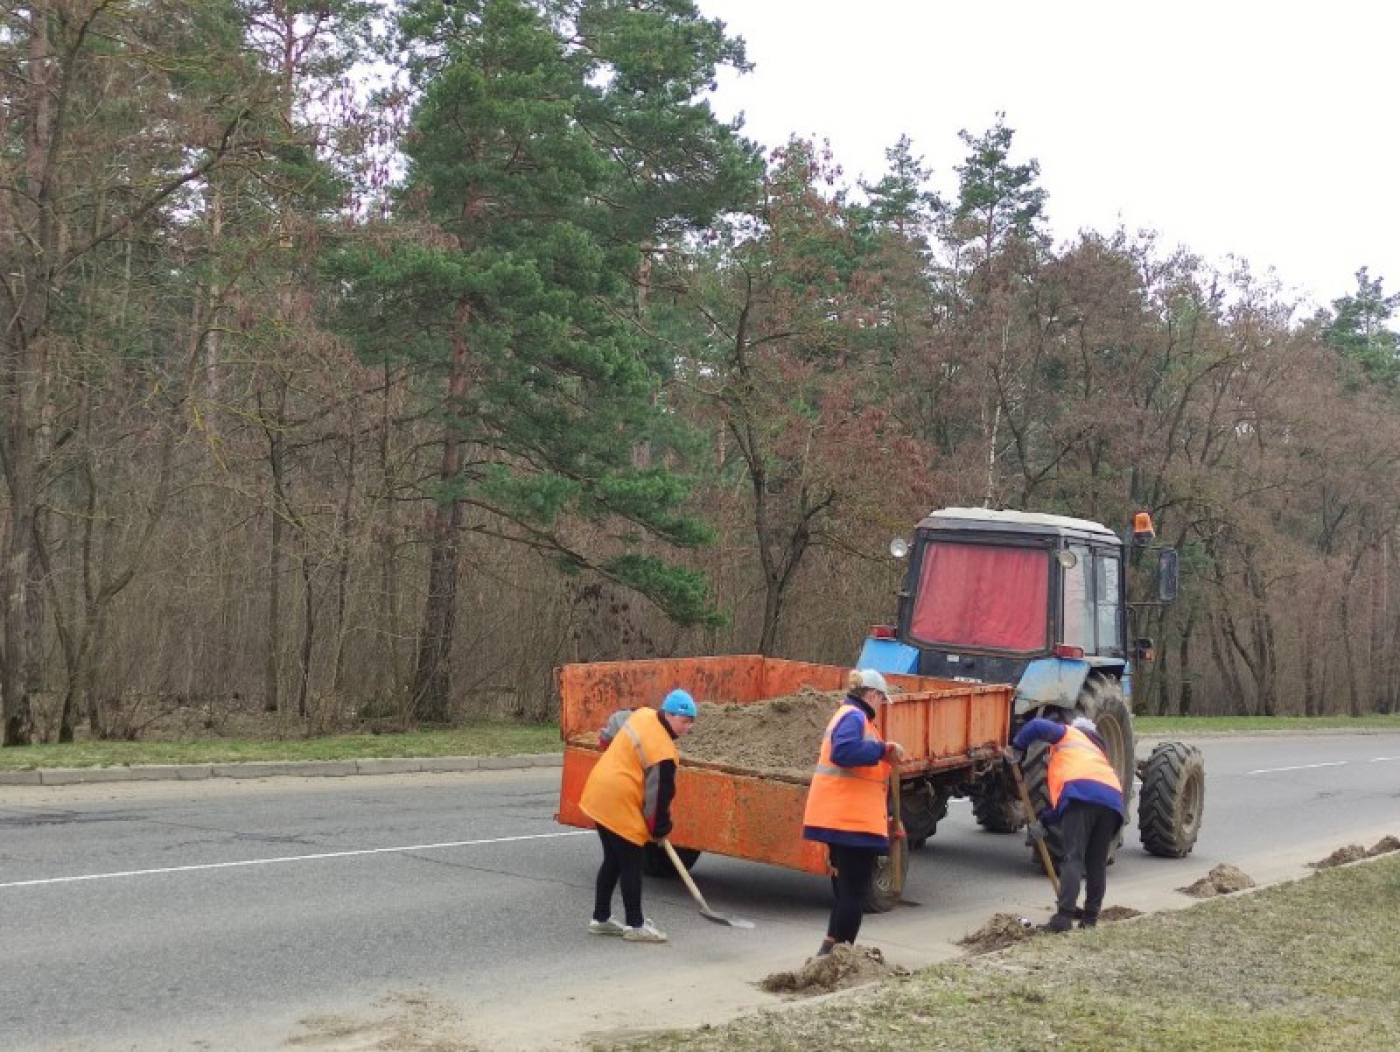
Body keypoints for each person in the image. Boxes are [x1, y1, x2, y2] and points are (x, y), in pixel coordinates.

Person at [579, 688, 697, 943]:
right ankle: (635, 925)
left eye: (690, 722)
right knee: (632, 864)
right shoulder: (664, 753)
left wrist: (606, 740)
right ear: (668, 714)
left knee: (613, 860)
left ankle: (600, 919)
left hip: (599, 792)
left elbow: (614, 723)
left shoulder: (641, 715)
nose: (687, 727)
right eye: (683, 720)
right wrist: (659, 830)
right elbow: (657, 800)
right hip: (618, 801)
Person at [801, 668, 905, 958]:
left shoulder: (850, 716)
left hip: (844, 818)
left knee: (847, 891)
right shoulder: (855, 717)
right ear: (872, 695)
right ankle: (841, 956)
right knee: (855, 893)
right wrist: (882, 750)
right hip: (849, 822)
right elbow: (844, 753)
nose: (882, 705)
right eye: (882, 699)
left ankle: (831, 949)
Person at [1005, 712, 1124, 932]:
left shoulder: (1069, 734)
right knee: (1096, 863)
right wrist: (1045, 821)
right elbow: (1068, 802)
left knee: (1073, 857)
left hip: (1082, 797)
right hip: (1113, 803)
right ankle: (1090, 919)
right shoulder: (1098, 751)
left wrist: (1017, 747)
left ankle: (1063, 918)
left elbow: (1037, 725)